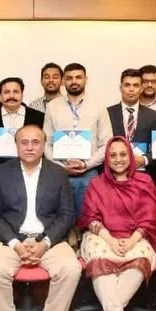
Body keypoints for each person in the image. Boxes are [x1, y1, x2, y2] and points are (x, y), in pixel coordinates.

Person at [0, 124, 80, 311]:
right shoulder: (0, 173)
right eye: (24, 142)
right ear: (16, 145)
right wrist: (15, 244)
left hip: (48, 240)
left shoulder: (58, 173)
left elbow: (67, 215)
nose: (29, 147)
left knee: (71, 269)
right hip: (11, 239)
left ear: (44, 145)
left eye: (35, 142)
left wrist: (44, 243)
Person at [78, 136, 156, 311]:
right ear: (106, 159)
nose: (118, 159)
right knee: (102, 262)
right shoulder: (97, 183)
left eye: (122, 154)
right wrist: (110, 239)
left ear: (130, 156)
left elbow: (150, 218)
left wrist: (131, 241)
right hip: (102, 235)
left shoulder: (144, 181)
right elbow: (90, 218)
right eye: (112, 155)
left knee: (140, 261)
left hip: (136, 235)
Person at [43, 63, 112, 218]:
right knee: (61, 219)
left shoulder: (99, 106)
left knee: (88, 219)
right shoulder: (52, 107)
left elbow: (106, 143)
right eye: (69, 78)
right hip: (59, 173)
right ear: (63, 81)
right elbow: (46, 143)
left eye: (78, 77)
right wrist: (61, 167)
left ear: (86, 79)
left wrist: (86, 164)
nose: (74, 81)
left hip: (89, 173)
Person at [0, 77, 45, 196]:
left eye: (16, 92)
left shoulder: (38, 118)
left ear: (22, 95)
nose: (11, 96)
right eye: (6, 92)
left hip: (31, 177)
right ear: (0, 97)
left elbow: (44, 147)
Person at [106, 68, 156, 185]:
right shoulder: (108, 113)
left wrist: (144, 159)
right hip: (113, 177)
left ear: (141, 88)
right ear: (120, 88)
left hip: (142, 176)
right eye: (127, 85)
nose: (131, 89)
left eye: (135, 85)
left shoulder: (152, 115)